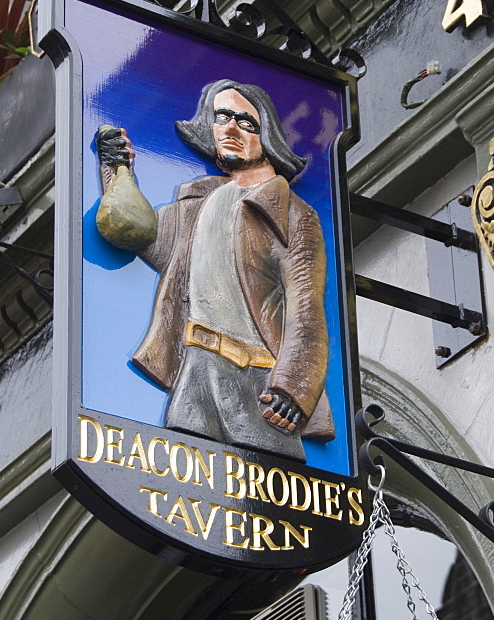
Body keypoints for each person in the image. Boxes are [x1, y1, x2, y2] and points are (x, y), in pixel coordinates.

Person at [95, 79, 333, 462]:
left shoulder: (293, 213)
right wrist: (116, 168)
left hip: (256, 379)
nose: (231, 128)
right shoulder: (199, 201)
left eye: (245, 121)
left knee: (269, 495)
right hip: (195, 370)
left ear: (266, 135)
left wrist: (293, 388)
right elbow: (136, 232)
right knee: (188, 487)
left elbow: (306, 309)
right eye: (222, 117)